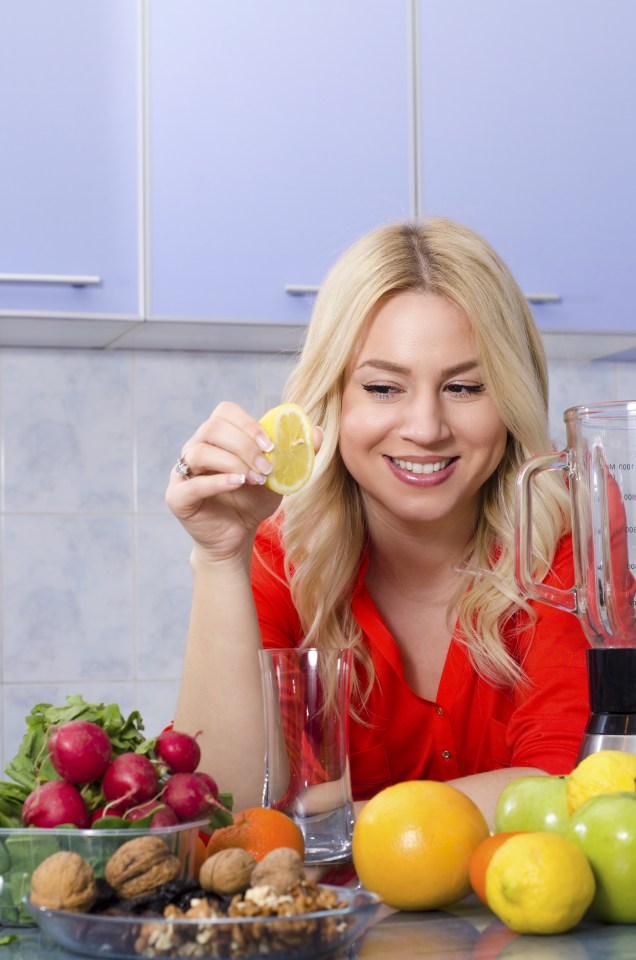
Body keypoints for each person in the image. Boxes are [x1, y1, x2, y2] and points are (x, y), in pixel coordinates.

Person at [166, 218, 590, 828]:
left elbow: (566, 790)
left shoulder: (567, 543)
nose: (426, 427)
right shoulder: (276, 558)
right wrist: (218, 560)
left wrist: (329, 814)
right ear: (333, 397)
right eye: (385, 388)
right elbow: (222, 809)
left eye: (466, 387)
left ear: (513, 399)